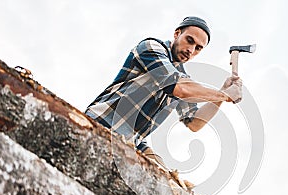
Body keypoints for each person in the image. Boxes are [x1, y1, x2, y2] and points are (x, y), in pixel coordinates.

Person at [85, 16, 242, 168]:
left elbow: (194, 123)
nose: (191, 50)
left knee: (167, 181)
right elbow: (179, 88)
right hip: (103, 122)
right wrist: (225, 95)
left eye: (198, 48)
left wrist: (221, 94)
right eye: (189, 40)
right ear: (177, 34)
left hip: (132, 141)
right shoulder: (151, 47)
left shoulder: (184, 78)